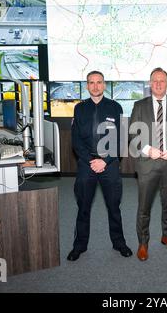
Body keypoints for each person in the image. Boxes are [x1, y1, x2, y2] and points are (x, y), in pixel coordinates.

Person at [67, 70, 132, 261]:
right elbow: (76, 141)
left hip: (109, 164)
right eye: (91, 83)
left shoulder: (115, 107)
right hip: (87, 165)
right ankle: (79, 246)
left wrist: (104, 160)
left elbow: (121, 139)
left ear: (104, 85)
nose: (95, 86)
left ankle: (119, 243)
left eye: (99, 82)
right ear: (87, 86)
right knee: (83, 207)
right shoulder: (79, 108)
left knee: (114, 207)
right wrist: (91, 161)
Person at [129, 67, 167, 261]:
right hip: (147, 164)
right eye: (155, 80)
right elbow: (132, 135)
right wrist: (147, 149)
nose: (159, 84)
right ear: (150, 83)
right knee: (144, 207)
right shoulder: (139, 106)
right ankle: (143, 242)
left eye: (162, 80)